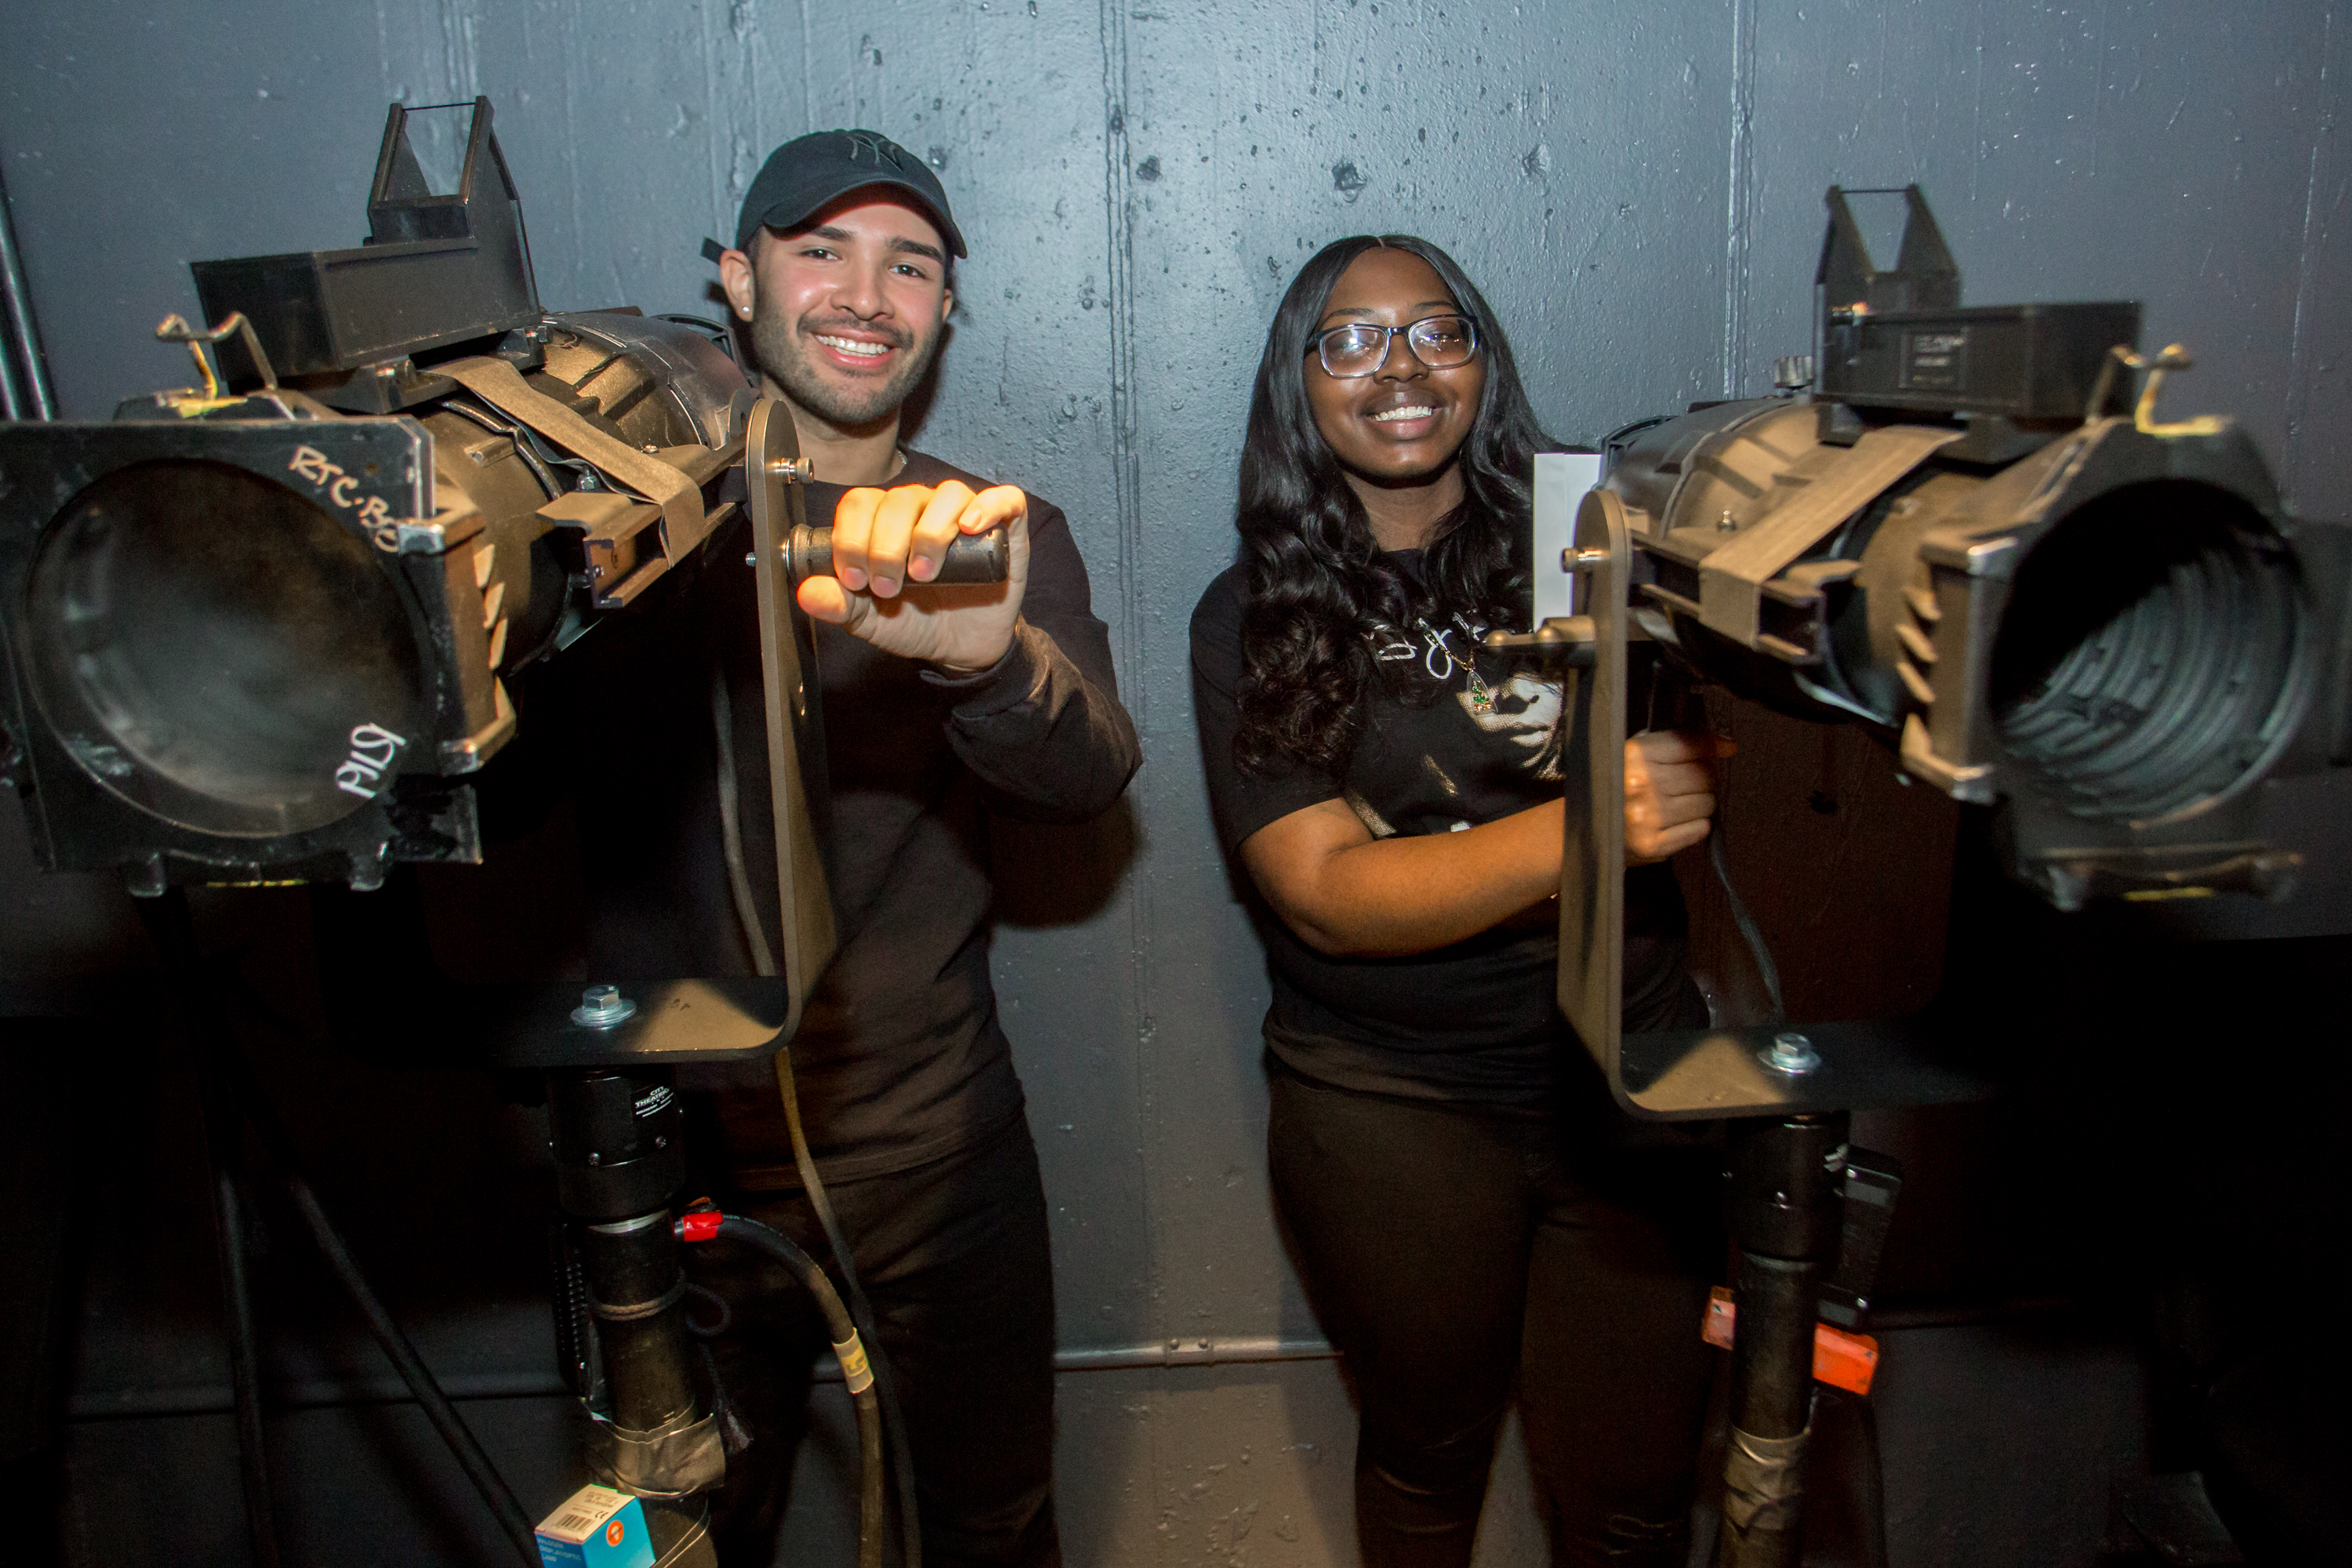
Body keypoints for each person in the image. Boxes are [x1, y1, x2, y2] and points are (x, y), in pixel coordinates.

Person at [1189, 235, 1730, 1568]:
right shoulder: (1258, 609)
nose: (1403, 368)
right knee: (1427, 1467)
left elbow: (1714, 745)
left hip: (1627, 1078)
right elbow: (1324, 892)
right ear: (1298, 384)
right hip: (1393, 1107)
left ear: (1484, 360)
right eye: (1352, 340)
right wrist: (1585, 827)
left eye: (1440, 332)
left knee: (1638, 1493)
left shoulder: (1581, 537)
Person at [670, 129, 1139, 1567]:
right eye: (822, 252)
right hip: (671, 1173)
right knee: (689, 1534)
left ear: (943, 309)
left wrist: (981, 660)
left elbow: (1089, 772)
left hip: (936, 1154)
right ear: (741, 282)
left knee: (992, 1525)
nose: (866, 294)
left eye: (910, 263)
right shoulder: (617, 534)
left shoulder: (986, 532)